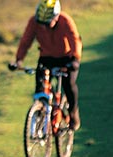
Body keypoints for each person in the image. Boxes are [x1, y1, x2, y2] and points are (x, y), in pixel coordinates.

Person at [12, 0, 82, 130]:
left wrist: (75, 59)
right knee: (40, 87)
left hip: (66, 58)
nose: (44, 26)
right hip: (46, 58)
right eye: (41, 23)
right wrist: (18, 60)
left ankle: (73, 114)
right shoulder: (34, 22)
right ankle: (40, 115)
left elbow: (75, 40)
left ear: (56, 16)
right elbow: (26, 41)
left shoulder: (65, 21)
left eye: (48, 23)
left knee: (68, 85)